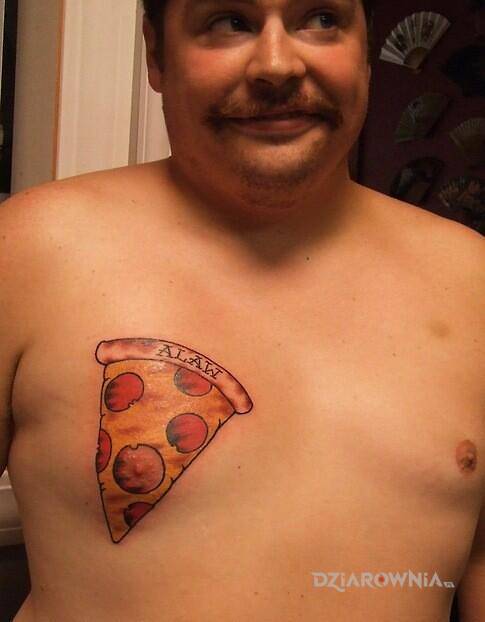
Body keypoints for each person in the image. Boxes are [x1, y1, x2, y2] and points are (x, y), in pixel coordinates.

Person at [1, 0, 484, 620]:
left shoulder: (471, 284)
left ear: (365, 52)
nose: (278, 65)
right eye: (229, 21)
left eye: (322, 19)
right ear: (156, 54)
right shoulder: (32, 251)